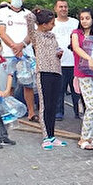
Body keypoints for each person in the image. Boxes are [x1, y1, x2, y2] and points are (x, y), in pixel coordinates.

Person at [26, 8, 68, 150]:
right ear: (43, 24)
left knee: (53, 105)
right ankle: (45, 137)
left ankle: (52, 135)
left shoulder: (52, 36)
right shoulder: (35, 35)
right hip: (43, 72)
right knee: (45, 105)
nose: (53, 25)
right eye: (51, 23)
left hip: (56, 71)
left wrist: (59, 52)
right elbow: (29, 19)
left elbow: (56, 48)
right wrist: (36, 12)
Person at [0, 0, 36, 121]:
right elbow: (2, 32)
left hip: (26, 54)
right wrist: (14, 47)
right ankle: (10, 112)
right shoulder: (2, 12)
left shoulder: (29, 14)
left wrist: (21, 46)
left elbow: (31, 34)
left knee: (28, 85)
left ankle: (31, 112)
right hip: (8, 54)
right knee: (10, 85)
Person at [72, 8, 93, 150]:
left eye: (87, 18)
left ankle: (92, 136)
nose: (85, 21)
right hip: (83, 74)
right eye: (82, 18)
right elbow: (76, 48)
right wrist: (89, 58)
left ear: (92, 19)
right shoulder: (76, 33)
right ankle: (83, 138)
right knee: (91, 105)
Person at [51, 0, 80, 121]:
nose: (63, 9)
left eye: (65, 6)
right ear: (55, 8)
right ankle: (58, 112)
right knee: (59, 90)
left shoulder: (75, 22)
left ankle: (78, 112)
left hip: (75, 62)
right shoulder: (52, 23)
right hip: (59, 62)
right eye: (61, 6)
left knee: (77, 90)